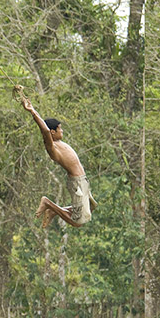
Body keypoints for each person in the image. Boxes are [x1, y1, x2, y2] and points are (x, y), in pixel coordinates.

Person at [19, 85, 96, 228]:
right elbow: (45, 131)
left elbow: (47, 128)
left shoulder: (59, 142)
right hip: (76, 182)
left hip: (83, 180)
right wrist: (32, 111)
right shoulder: (52, 147)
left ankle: (53, 211)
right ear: (53, 132)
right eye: (59, 128)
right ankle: (48, 203)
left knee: (91, 207)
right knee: (78, 221)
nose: (62, 130)